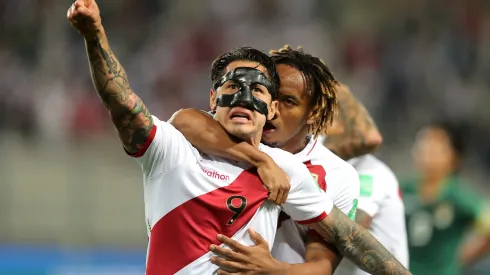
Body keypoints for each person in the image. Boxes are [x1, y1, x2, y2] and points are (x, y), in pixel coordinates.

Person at [66, 1, 409, 275]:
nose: (244, 97)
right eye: (233, 87)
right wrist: (95, 37)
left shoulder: (288, 170)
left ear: (271, 109)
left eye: (257, 90)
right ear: (213, 99)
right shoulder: (174, 150)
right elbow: (124, 106)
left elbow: (350, 237)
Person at [170, 46, 409, 274]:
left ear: (313, 112)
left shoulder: (336, 174)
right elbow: (185, 120)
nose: (273, 111)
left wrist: (271, 269)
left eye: (289, 101)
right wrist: (262, 161)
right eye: (264, 92)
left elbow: (323, 266)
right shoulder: (229, 136)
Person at [316, 87, 409, 274]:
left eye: (333, 120)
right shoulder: (324, 168)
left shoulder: (372, 173)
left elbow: (354, 227)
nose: (324, 129)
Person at [402, 121, 490, 275]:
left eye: (436, 146)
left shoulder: (459, 197)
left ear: (454, 156)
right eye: (423, 143)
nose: (427, 150)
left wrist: (464, 256)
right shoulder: (402, 189)